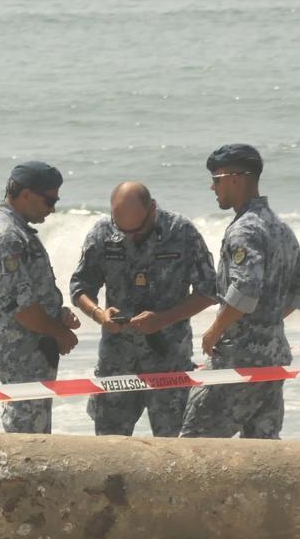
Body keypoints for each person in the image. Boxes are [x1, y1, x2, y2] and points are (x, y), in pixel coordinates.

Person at [181, 144, 300, 439]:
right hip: (273, 356)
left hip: (238, 361)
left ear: (236, 179)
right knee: (261, 454)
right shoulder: (280, 228)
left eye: (216, 180)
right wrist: (266, 323)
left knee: (195, 446)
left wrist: (216, 330)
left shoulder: (245, 229)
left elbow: (245, 288)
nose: (212, 187)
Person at [69, 181, 216, 436]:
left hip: (168, 360)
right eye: (123, 231)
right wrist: (98, 314)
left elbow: (208, 292)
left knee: (173, 448)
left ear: (153, 209)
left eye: (137, 231)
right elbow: (80, 287)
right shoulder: (102, 232)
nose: (129, 237)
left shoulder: (181, 232)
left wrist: (164, 319)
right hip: (117, 362)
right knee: (110, 446)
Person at [0, 161, 80, 434]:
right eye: (49, 200)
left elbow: (32, 294)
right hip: (21, 352)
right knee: (25, 436)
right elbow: (22, 309)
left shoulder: (19, 232)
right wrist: (60, 333)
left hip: (34, 350)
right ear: (26, 195)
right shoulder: (5, 237)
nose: (53, 208)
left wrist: (58, 314)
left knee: (36, 431)